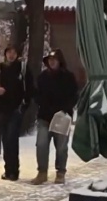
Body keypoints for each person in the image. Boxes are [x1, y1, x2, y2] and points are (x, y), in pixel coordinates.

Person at [31, 49, 78, 185]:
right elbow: (36, 94)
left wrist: (65, 109)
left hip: (62, 117)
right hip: (45, 117)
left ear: (60, 61)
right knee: (41, 144)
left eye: (54, 60)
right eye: (49, 60)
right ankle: (42, 172)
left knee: (62, 146)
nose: (52, 62)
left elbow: (74, 95)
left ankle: (60, 172)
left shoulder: (68, 77)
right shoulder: (42, 77)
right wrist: (41, 102)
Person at [0, 45, 33, 181]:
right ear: (5, 54)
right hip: (2, 109)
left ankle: (14, 171)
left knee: (12, 139)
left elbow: (29, 87)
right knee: (6, 140)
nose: (11, 55)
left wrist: (25, 105)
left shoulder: (23, 68)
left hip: (16, 109)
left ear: (17, 54)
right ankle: (8, 170)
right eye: (9, 52)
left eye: (14, 52)